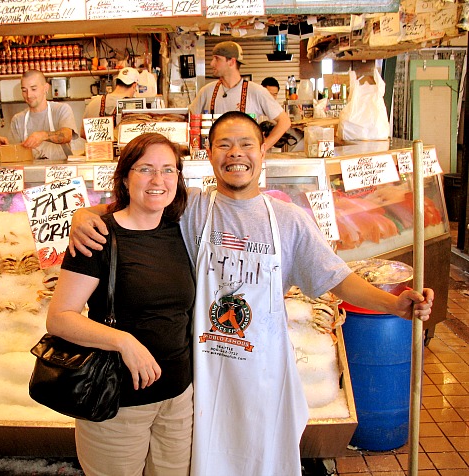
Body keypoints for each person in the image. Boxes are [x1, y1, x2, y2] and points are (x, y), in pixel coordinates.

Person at [67, 111, 434, 476]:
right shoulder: (191, 206)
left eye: (246, 144)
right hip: (204, 374)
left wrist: (393, 304)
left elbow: (335, 278)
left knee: (261, 461)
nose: (235, 153)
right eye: (224, 145)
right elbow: (137, 206)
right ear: (209, 155)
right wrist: (83, 214)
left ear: (263, 152)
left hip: (263, 374)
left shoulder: (288, 219)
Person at [47, 133, 195, 476]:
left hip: (178, 401)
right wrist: (124, 342)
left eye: (168, 170)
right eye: (145, 169)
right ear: (126, 178)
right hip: (116, 401)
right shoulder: (99, 236)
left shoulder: (181, 230)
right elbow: (60, 318)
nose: (158, 180)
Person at [189, 41, 291, 150]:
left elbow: (284, 122)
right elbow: (188, 118)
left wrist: (263, 148)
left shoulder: (256, 91)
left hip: (246, 159)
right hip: (216, 159)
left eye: (217, 58)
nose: (212, 63)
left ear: (232, 62)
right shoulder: (207, 91)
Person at [0, 70, 78, 160]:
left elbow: (67, 135)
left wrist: (43, 136)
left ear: (46, 88)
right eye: (24, 90)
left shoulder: (61, 109)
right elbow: (15, 154)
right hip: (31, 172)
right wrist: (4, 147)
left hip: (61, 172)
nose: (29, 95)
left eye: (33, 89)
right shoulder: (18, 120)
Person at [81, 67, 139, 139]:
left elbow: (83, 133)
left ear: (117, 83)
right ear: (134, 86)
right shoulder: (135, 106)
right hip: (125, 149)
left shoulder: (93, 103)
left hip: (96, 149)